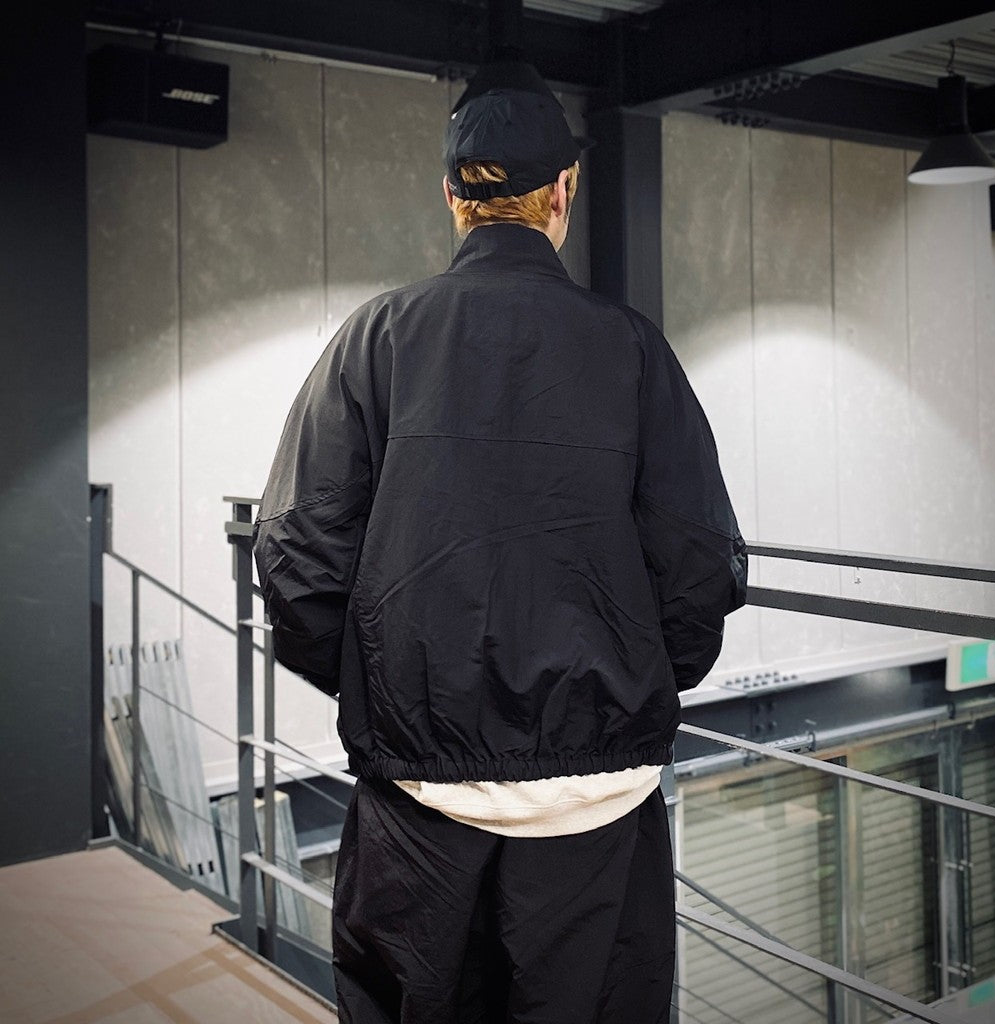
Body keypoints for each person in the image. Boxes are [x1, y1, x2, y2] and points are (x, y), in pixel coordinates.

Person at [253, 59, 746, 1024]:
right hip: (598, 809)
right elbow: (698, 561)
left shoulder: (375, 339)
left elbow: (297, 554)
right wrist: (636, 682)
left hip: (419, 806)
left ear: (452, 196)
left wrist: (381, 685)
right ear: (564, 191)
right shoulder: (634, 348)